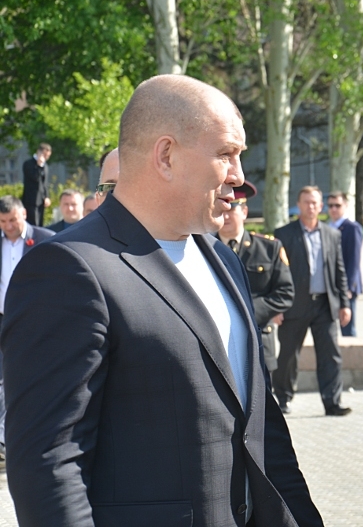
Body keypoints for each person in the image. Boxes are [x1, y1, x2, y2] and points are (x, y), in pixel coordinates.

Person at [0, 74, 323, 527]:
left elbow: (261, 428)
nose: (240, 177)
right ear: (166, 155)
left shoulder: (222, 260)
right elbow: (50, 463)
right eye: (226, 154)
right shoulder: (69, 270)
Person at [273, 186, 352, 416]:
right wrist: (276, 307)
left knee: (330, 355)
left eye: (315, 203)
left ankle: (332, 403)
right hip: (293, 305)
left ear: (321, 206)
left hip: (325, 305)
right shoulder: (284, 234)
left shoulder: (332, 234)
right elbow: (277, 272)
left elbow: (340, 271)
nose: (311, 207)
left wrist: (344, 304)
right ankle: (283, 399)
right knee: (288, 355)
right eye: (307, 202)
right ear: (299, 205)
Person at [217, 180, 294, 383]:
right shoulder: (204, 248)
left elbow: (285, 293)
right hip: (219, 342)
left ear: (244, 212)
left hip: (259, 338)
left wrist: (248, 312)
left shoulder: (269, 248)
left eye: (231, 209)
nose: (225, 216)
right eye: (220, 208)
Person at [0, 196, 54, 461]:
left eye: (12, 219)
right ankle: (3, 438)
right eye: (2, 221)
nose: (8, 226)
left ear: (23, 213)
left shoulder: (47, 239)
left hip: (34, 319)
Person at [326, 191, 363, 336]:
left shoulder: (352, 228)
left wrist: (348, 287)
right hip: (330, 285)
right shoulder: (326, 228)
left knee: (347, 327)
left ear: (345, 206)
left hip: (346, 287)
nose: (334, 209)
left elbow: (354, 260)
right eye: (330, 206)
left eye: (337, 205)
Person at [20, 143, 52, 226]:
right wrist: (39, 165)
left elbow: (45, 183)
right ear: (39, 152)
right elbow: (35, 178)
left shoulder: (45, 166)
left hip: (41, 200)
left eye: (47, 156)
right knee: (33, 223)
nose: (46, 158)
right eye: (44, 155)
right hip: (30, 200)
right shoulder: (28, 164)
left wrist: (46, 196)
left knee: (40, 223)